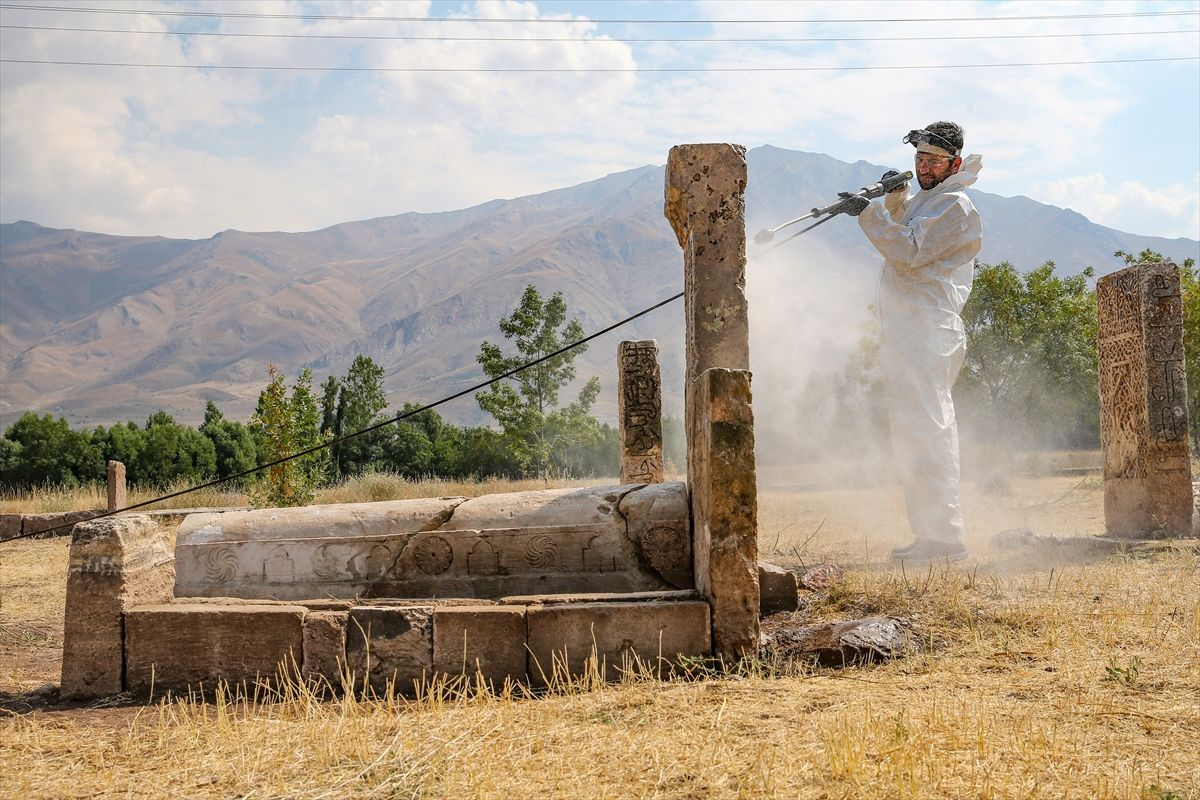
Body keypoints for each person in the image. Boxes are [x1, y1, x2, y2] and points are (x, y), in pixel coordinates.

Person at [839, 121, 983, 562]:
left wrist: (869, 213)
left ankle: (946, 539)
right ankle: (930, 534)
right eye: (919, 159)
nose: (922, 166)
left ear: (954, 164)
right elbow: (907, 229)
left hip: (928, 330)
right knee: (912, 435)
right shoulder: (929, 201)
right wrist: (893, 199)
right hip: (908, 332)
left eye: (933, 160)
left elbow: (909, 252)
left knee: (929, 430)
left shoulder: (956, 206)